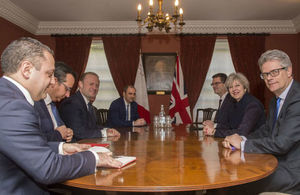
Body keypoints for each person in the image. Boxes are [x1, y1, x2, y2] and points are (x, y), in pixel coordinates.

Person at [0, 37, 122, 194]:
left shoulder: (8, 97)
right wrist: (94, 157)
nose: (52, 82)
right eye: (49, 74)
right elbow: (48, 168)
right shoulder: (13, 106)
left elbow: (22, 146)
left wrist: (61, 147)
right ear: (26, 69)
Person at [223, 49, 300, 194]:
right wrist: (242, 138)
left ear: (289, 71)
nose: (269, 78)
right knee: (230, 175)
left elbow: (282, 143)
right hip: (276, 161)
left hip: (293, 171)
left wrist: (243, 144)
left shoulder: (297, 99)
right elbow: (266, 130)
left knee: (234, 182)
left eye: (274, 72)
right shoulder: (275, 99)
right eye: (265, 74)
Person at [59, 72, 120, 141]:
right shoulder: (72, 103)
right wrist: (104, 133)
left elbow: (92, 126)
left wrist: (107, 130)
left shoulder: (88, 104)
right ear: (80, 84)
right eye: (91, 84)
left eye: (97, 85)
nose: (95, 88)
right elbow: (79, 133)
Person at [204, 73, 265, 137]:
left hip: (255, 144)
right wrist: (210, 128)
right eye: (231, 87)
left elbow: (242, 132)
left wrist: (214, 132)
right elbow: (225, 126)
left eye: (237, 85)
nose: (234, 89)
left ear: (245, 87)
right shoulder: (233, 104)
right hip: (239, 142)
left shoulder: (253, 105)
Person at [34, 61, 75, 142]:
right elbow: (35, 140)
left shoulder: (52, 105)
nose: (68, 95)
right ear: (54, 81)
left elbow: (60, 128)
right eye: (67, 89)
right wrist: (59, 134)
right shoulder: (35, 103)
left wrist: (67, 132)